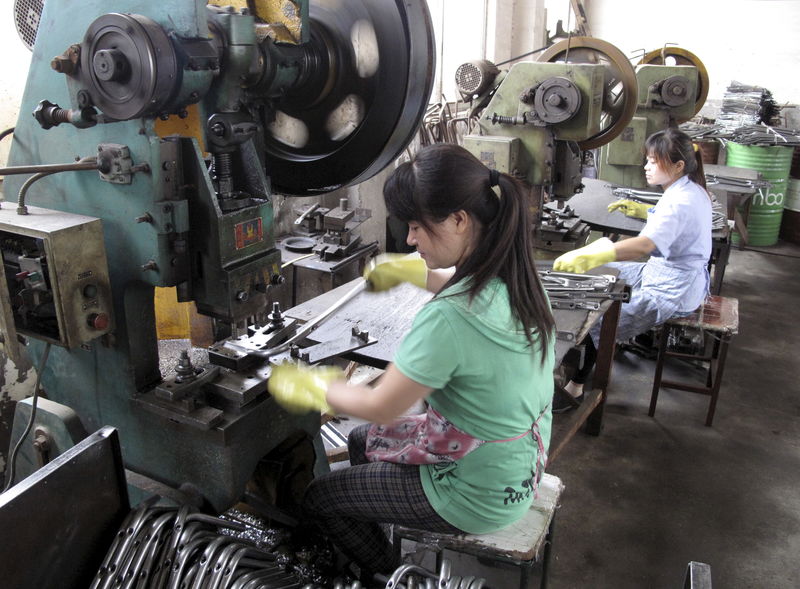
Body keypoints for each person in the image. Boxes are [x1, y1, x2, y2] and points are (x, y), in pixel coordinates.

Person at [268, 143, 556, 579]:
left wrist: (314, 385)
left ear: (459, 220)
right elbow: (465, 291)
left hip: (475, 492)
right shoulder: (516, 278)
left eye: (418, 227)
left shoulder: (450, 319)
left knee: (319, 499)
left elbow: (383, 403)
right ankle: (375, 519)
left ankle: (393, 576)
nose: (409, 239)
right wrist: (413, 272)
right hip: (518, 461)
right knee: (363, 441)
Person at [552, 127, 712, 409]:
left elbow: (644, 246)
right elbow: (670, 223)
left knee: (596, 318)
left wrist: (596, 253)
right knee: (597, 276)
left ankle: (576, 386)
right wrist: (644, 211)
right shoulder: (687, 189)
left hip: (673, 289)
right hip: (659, 272)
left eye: (653, 161)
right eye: (647, 159)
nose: (646, 167)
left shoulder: (681, 201)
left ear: (678, 165)